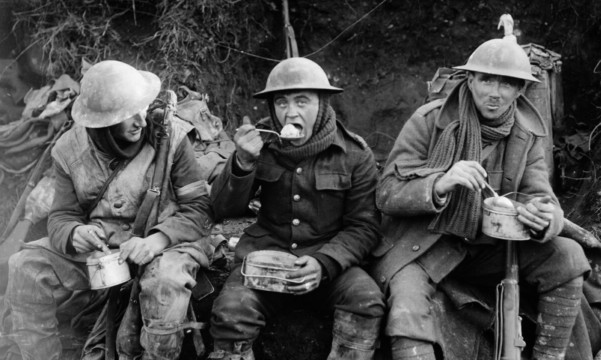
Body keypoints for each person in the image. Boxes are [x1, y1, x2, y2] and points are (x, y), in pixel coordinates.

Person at [371, 36, 591, 360]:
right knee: (406, 303)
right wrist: (439, 184)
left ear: (520, 90)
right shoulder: (430, 121)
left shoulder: (527, 134)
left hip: (489, 250)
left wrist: (543, 217)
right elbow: (386, 192)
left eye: (507, 83)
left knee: (568, 255)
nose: (494, 92)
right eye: (486, 79)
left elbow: (542, 198)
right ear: (470, 79)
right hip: (426, 244)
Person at [0, 60, 214, 360]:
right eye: (126, 115)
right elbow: (61, 217)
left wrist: (155, 241)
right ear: (101, 123)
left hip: (166, 242)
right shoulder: (68, 150)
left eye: (141, 107)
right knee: (25, 266)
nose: (140, 120)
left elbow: (199, 209)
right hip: (105, 253)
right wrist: (76, 233)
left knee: (164, 286)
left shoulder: (172, 138)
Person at [208, 57, 385, 360]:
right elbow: (222, 209)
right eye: (281, 102)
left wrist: (324, 262)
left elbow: (365, 226)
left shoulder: (355, 154)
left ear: (322, 104)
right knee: (230, 311)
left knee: (366, 302)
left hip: (328, 264)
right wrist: (242, 163)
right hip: (265, 261)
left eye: (302, 101)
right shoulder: (260, 144)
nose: (290, 112)